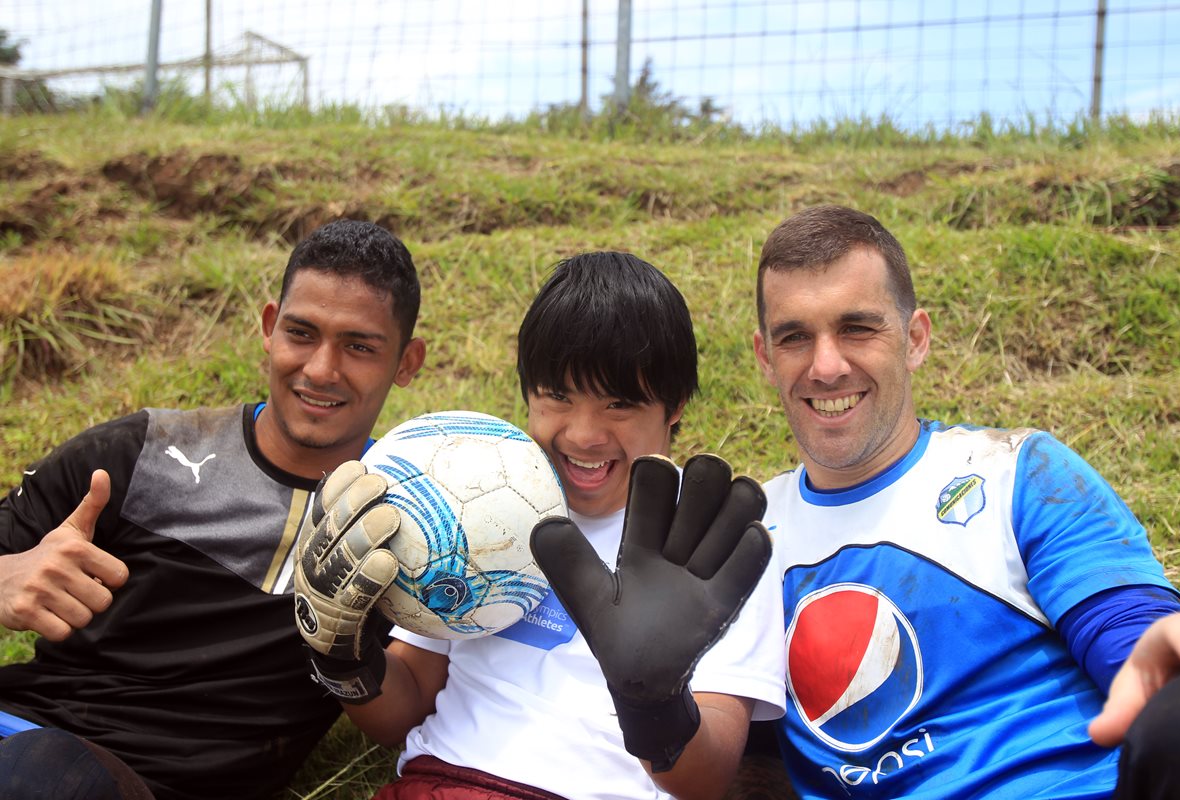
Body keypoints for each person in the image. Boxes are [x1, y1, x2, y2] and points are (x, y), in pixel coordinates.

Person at [293, 251, 786, 800]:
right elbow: (401, 714)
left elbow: (705, 782)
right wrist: (340, 653)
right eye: (557, 396)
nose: (583, 435)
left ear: (674, 407)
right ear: (528, 392)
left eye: (619, 403)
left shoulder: (717, 548)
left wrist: (654, 702)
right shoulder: (471, 503)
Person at [751, 203, 1180, 799]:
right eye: (795, 338)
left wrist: (1176, 678)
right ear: (764, 357)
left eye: (858, 328)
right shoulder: (742, 534)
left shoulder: (1020, 471)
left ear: (915, 340)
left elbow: (1136, 645)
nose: (826, 366)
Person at [0, 219, 427, 800]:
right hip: (21, 730)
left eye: (359, 347)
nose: (322, 369)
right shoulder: (139, 451)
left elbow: (404, 719)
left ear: (407, 362)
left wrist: (346, 650)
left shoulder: (414, 522)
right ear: (270, 328)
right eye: (302, 333)